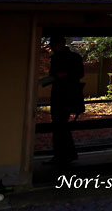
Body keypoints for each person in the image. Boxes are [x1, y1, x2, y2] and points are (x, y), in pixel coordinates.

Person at [45, 35, 84, 165]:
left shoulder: (65, 58)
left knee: (60, 125)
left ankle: (63, 155)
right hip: (65, 95)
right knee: (60, 126)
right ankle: (65, 154)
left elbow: (78, 73)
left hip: (64, 95)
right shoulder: (69, 57)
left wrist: (64, 74)